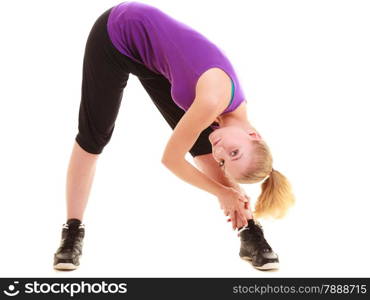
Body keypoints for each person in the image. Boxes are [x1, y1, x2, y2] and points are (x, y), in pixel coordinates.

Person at [53, 1, 295, 272]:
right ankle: (72, 232)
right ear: (254, 134)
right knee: (93, 137)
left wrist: (227, 191)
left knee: (206, 147)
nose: (221, 153)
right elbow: (170, 159)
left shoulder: (232, 121)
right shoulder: (213, 100)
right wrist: (222, 191)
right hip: (115, 34)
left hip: (153, 62)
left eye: (227, 161)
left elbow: (219, 150)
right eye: (234, 152)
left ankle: (250, 232)